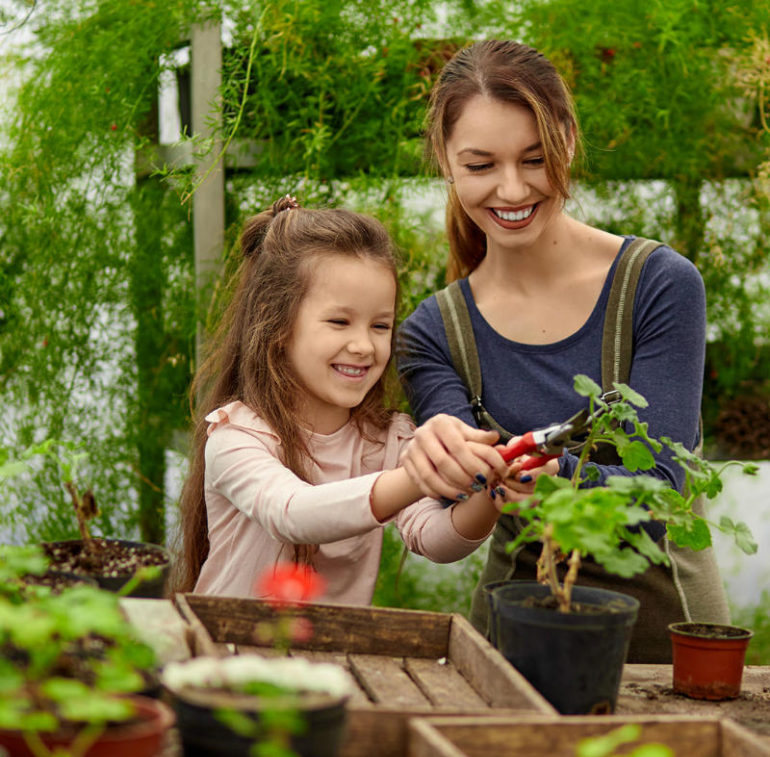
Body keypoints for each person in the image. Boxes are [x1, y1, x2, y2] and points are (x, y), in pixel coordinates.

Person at [396, 40, 729, 662]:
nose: (512, 189)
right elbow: (453, 505)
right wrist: (444, 459)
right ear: (445, 158)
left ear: (568, 141)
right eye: (480, 165)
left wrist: (561, 475)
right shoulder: (433, 331)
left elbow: (666, 486)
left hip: (666, 643)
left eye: (535, 158)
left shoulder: (657, 284)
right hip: (510, 643)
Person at [173, 196, 509, 604]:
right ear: (276, 323)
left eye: (380, 325)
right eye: (339, 322)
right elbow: (292, 513)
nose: (364, 346)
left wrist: (492, 490)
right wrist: (419, 475)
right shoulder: (237, 436)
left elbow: (434, 540)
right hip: (228, 655)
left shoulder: (386, 439)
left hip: (331, 662)